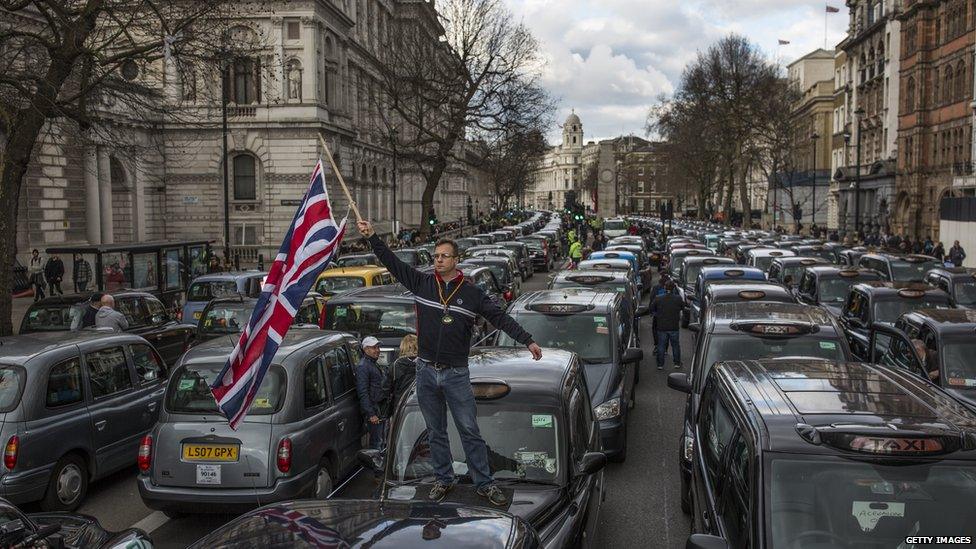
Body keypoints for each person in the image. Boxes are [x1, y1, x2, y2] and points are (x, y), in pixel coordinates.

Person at [357, 219, 541, 507]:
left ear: (456, 260)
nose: (438, 261)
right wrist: (372, 238)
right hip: (426, 369)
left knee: (468, 428)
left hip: (456, 373)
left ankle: (484, 482)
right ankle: (443, 479)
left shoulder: (472, 294)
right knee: (435, 431)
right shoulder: (422, 283)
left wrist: (527, 339)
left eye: (444, 256)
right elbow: (392, 263)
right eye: (436, 257)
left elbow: (500, 317)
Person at [356, 336, 387, 450]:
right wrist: (371, 414)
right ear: (366, 349)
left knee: (381, 441)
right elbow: (362, 392)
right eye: (374, 347)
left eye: (378, 347)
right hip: (374, 410)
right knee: (376, 443)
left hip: (379, 409)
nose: (377, 350)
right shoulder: (363, 366)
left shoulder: (372, 363)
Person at [650, 280, 684, 370]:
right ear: (673, 288)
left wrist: (657, 315)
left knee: (661, 346)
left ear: (665, 287)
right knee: (675, 346)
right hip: (674, 326)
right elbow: (682, 307)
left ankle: (660, 364)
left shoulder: (658, 298)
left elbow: (652, 308)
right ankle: (677, 363)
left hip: (662, 326)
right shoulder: (678, 298)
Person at [383, 334, 419, 418]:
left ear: (403, 347)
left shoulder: (395, 366)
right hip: (420, 405)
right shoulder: (425, 365)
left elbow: (385, 390)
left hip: (400, 408)